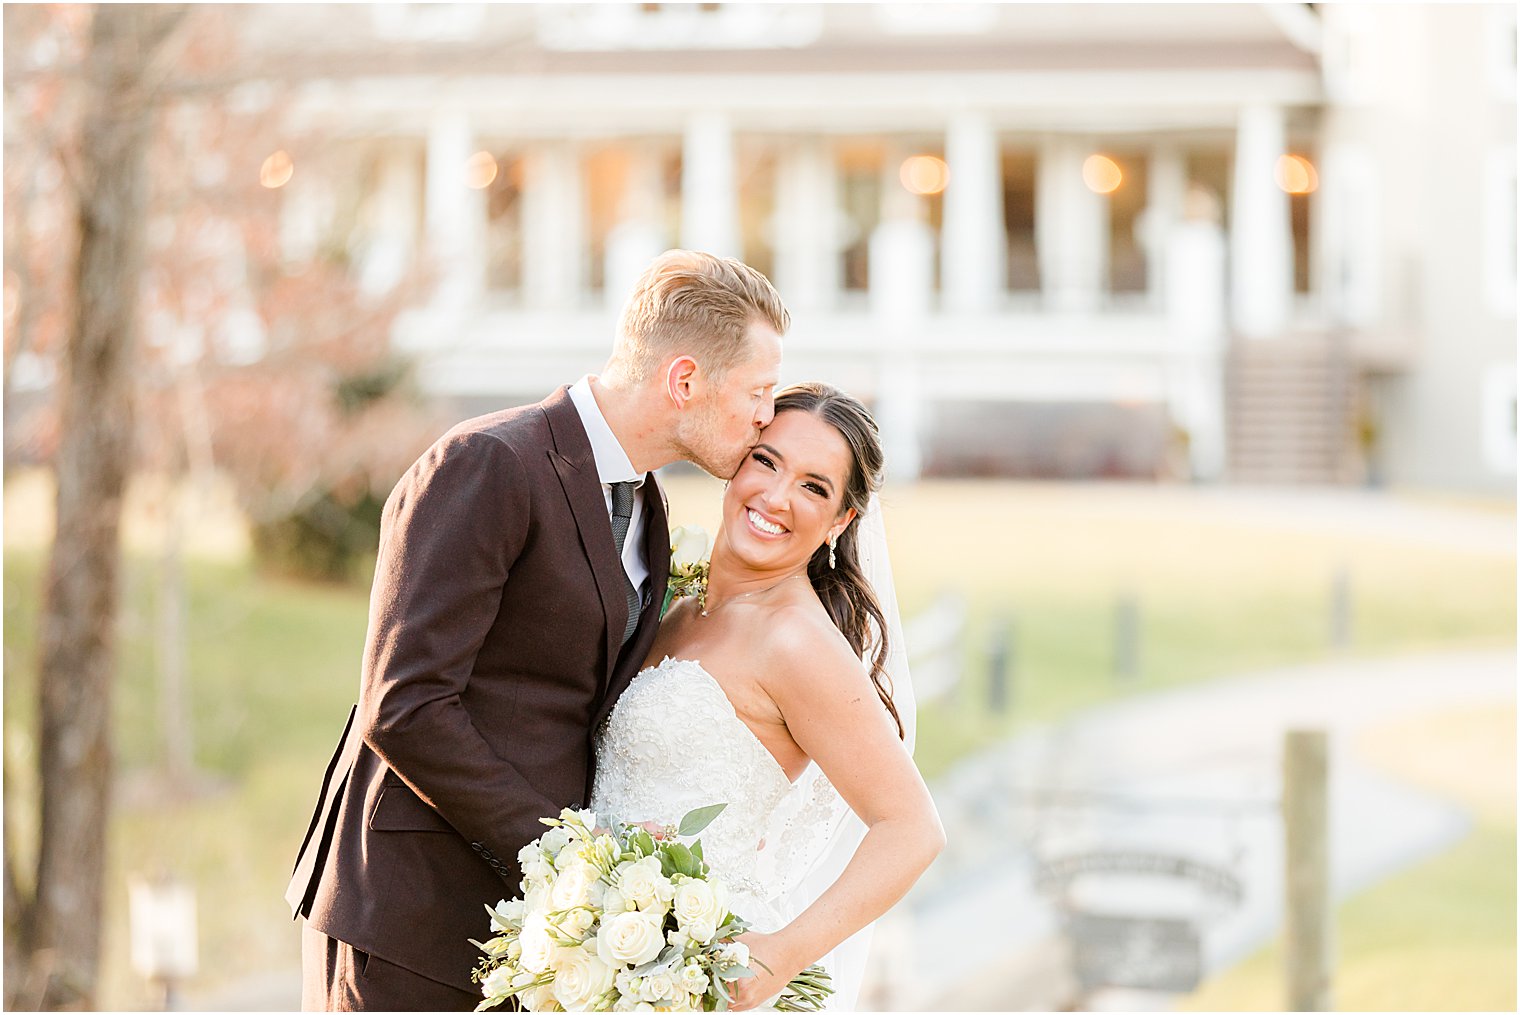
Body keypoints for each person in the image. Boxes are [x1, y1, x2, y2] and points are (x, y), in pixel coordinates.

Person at [284, 249, 787, 1010]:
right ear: (684, 380)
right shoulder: (489, 463)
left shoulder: (645, 510)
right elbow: (406, 702)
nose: (765, 416)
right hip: (410, 916)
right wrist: (570, 860)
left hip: (530, 938)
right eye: (758, 390)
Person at [590, 382, 945, 1011]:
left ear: (841, 521)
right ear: (737, 462)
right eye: (767, 460)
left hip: (696, 979)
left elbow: (912, 828)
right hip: (606, 957)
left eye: (814, 487)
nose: (776, 497)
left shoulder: (796, 643)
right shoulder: (680, 603)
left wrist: (783, 952)